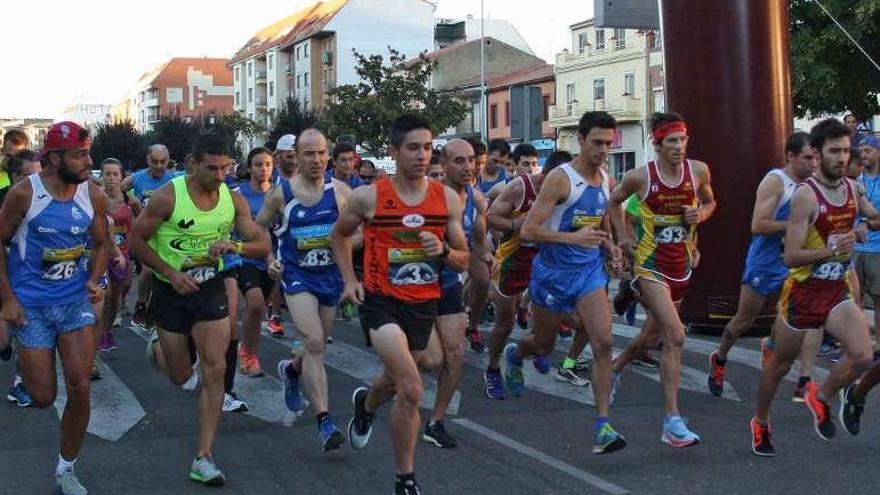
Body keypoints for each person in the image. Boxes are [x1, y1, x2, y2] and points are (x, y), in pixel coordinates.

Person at [331, 114, 469, 495]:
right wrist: (349, 280)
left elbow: (463, 257)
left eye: (427, 148)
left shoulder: (447, 200)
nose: (422, 155)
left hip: (424, 304)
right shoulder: (369, 197)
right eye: (413, 148)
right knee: (410, 388)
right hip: (382, 304)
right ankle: (405, 479)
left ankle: (366, 406)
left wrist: (441, 250)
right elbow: (339, 237)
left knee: (421, 367)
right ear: (394, 152)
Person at [130, 133, 269, 485]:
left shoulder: (232, 199)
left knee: (215, 369)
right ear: (192, 165)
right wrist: (170, 273)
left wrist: (234, 245)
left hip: (210, 290)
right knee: (179, 376)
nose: (220, 175)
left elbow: (261, 242)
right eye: (212, 168)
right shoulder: (167, 198)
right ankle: (158, 346)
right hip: (171, 292)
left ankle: (203, 456)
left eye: (226, 167)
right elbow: (136, 240)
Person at [751, 118, 880, 456]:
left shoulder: (853, 188)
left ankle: (821, 396)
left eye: (845, 151)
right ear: (818, 154)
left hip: (836, 290)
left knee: (865, 356)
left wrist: (865, 223)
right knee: (779, 365)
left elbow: (871, 216)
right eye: (834, 151)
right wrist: (832, 249)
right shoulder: (806, 197)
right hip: (803, 293)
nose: (841, 157)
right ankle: (761, 421)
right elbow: (792, 257)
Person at [504, 112, 626, 455]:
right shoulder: (561, 179)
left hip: (588, 274)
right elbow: (529, 230)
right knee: (542, 345)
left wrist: (610, 245)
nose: (603, 150)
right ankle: (516, 355)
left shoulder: (604, 179)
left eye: (609, 143)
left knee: (603, 343)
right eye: (597, 143)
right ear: (581, 140)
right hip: (552, 275)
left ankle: (603, 426)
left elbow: (599, 220)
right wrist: (572, 239)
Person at [0, 122, 108, 495]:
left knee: (80, 388)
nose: (87, 162)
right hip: (31, 307)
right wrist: (8, 300)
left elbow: (103, 244)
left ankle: (66, 467)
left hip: (74, 302)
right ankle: (17, 350)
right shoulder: (23, 195)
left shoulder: (91, 195)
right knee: (43, 396)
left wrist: (94, 277)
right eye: (80, 155)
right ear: (54, 158)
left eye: (87, 153)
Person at [608, 112, 716, 447]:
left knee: (651, 335)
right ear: (657, 144)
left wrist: (702, 213)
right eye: (672, 141)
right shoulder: (641, 177)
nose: (679, 147)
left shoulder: (698, 172)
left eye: (683, 140)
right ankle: (672, 421)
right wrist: (624, 238)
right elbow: (614, 203)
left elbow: (711, 201)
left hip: (680, 264)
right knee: (675, 335)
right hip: (649, 265)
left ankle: (613, 370)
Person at [257, 129, 353, 452]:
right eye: (309, 154)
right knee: (312, 341)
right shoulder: (281, 194)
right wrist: (271, 258)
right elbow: (257, 231)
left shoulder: (339, 193)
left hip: (330, 278)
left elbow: (362, 233)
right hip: (297, 277)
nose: (317, 160)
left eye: (321, 153)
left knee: (316, 347)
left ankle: (291, 371)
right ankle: (325, 421)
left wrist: (343, 252)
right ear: (296, 156)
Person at [707, 132, 819, 399]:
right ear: (790, 156)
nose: (813, 164)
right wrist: (795, 225)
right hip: (765, 262)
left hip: (793, 262)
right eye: (807, 158)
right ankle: (719, 358)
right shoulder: (775, 182)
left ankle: (804, 380)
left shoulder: (813, 185)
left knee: (806, 317)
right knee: (743, 320)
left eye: (815, 158)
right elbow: (758, 225)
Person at [423, 139, 491, 448]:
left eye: (472, 160)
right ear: (445, 165)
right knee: (430, 361)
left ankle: (435, 421)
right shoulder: (428, 197)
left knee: (455, 355)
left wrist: (487, 254)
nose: (469, 167)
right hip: (417, 286)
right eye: (460, 161)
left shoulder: (476, 199)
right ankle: (371, 400)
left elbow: (478, 239)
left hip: (449, 283)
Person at [235, 147, 276, 376]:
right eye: (258, 164)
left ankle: (248, 347)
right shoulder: (238, 194)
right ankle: (249, 356)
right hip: (245, 256)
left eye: (268, 164)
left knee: (259, 310)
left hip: (272, 261)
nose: (263, 169)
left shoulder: (278, 194)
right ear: (249, 167)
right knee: (256, 302)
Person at [126, 144, 175, 327]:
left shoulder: (173, 179)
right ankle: (140, 304)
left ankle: (157, 309)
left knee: (164, 273)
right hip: (144, 234)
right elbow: (117, 188)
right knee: (147, 271)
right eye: (154, 162)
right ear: (148, 160)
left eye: (163, 162)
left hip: (166, 234)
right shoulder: (137, 178)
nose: (159, 166)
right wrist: (131, 203)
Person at [97, 159, 137, 352]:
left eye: (115, 174)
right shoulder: (97, 198)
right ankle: (101, 334)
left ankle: (107, 328)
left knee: (117, 297)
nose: (111, 178)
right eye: (107, 174)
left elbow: (139, 221)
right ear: (102, 176)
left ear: (122, 176)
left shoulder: (130, 199)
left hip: (124, 253)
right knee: (107, 293)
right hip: (103, 253)